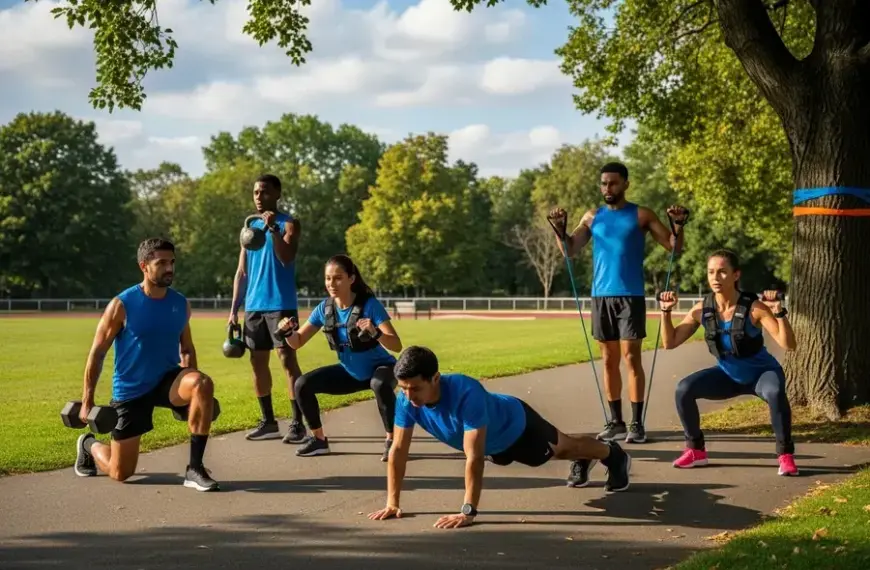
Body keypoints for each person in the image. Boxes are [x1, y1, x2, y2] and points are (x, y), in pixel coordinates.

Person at [367, 346, 632, 530]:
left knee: (564, 448)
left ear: (435, 378)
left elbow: (474, 457)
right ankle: (585, 458)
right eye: (404, 388)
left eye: (415, 388)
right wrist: (392, 503)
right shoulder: (406, 401)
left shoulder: (465, 392)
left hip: (518, 425)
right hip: (495, 445)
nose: (409, 396)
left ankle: (612, 453)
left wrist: (468, 511)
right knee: (559, 452)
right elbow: (398, 450)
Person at [548, 161, 689, 450]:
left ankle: (636, 423)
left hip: (630, 296)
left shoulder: (641, 214)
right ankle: (616, 421)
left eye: (613, 183)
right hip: (601, 297)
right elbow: (570, 250)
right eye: (603, 183)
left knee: (631, 357)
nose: (607, 188)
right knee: (608, 360)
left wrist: (678, 225)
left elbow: (674, 247)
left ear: (625, 184)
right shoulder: (592, 217)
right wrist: (559, 230)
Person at [73, 238, 220, 491]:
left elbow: (186, 349)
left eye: (172, 262)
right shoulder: (122, 304)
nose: (169, 268)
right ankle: (88, 444)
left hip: (167, 380)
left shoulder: (179, 303)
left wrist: (190, 397)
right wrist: (87, 401)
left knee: (202, 383)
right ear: (144, 266)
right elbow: (97, 353)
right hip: (132, 389)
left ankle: (195, 468)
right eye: (161, 263)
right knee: (121, 472)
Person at [659, 249, 799, 476]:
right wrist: (666, 312)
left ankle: (785, 456)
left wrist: (779, 312)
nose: (715, 277)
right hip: (727, 376)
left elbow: (788, 344)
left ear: (736, 275)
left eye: (722, 272)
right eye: (711, 272)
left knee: (775, 393)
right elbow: (670, 342)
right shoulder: (701, 309)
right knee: (684, 389)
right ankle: (696, 451)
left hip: (762, 375)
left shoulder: (754, 308)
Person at [275, 254, 403, 460]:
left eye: (338, 278)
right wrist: (288, 332)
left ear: (351, 279)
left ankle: (392, 441)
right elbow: (297, 342)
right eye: (328, 278)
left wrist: (376, 332)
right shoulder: (324, 308)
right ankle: (319, 440)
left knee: (379, 384)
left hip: (381, 369)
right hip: (350, 372)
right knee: (302, 384)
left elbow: (396, 345)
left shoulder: (369, 305)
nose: (331, 284)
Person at [229, 174, 306, 444]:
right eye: (255, 192)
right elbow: (242, 272)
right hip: (254, 307)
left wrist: (273, 229)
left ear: (277, 194)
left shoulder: (289, 223)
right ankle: (269, 422)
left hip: (281, 305)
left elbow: (286, 257)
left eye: (264, 192)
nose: (259, 197)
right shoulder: (249, 227)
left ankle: (297, 424)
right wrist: (233, 310)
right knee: (257, 363)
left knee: (287, 361)